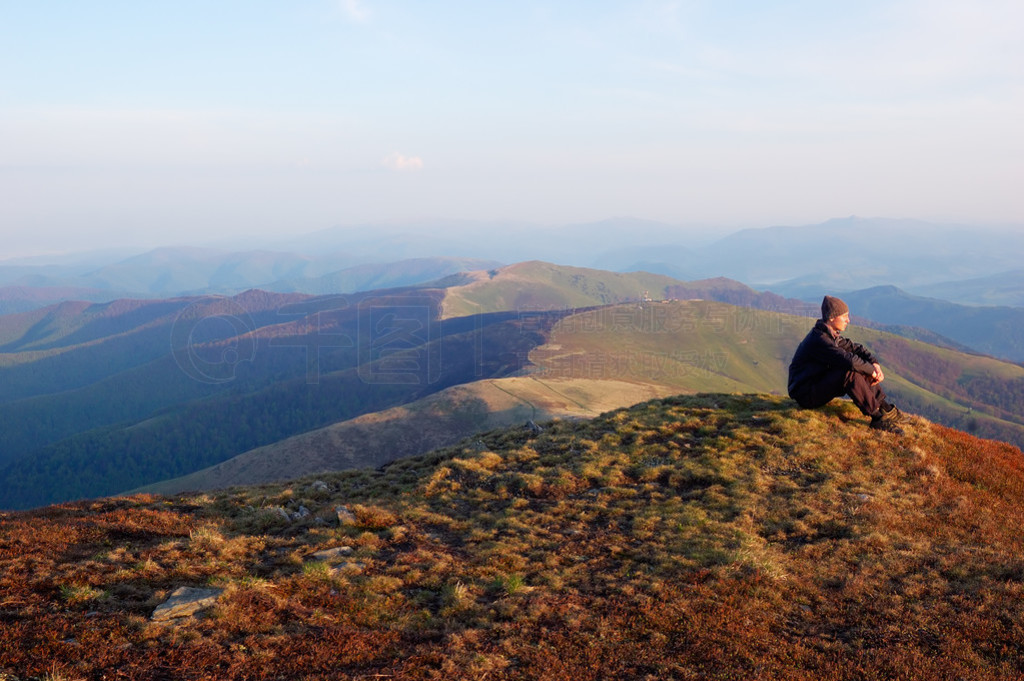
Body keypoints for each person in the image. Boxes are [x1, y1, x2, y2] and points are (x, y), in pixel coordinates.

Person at [788, 295, 905, 433]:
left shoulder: (830, 335)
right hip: (806, 394)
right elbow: (849, 361)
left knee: (860, 366)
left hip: (816, 384)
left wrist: (874, 364)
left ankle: (885, 408)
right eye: (844, 316)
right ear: (832, 317)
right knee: (850, 372)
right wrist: (871, 371)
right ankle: (877, 419)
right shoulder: (819, 340)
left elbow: (856, 348)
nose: (848, 320)